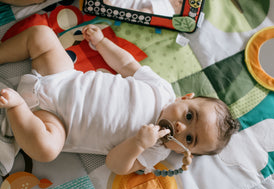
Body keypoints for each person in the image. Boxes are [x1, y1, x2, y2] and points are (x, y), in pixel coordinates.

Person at [0, 24, 239, 175]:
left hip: (55, 122)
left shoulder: (155, 152)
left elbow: (115, 164)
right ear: (186, 98)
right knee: (42, 35)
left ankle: (17, 107)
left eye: (189, 138)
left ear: (187, 152)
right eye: (189, 116)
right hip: (61, 78)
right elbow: (126, 65)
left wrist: (138, 143)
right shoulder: (161, 88)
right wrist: (102, 43)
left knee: (45, 150)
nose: (180, 127)